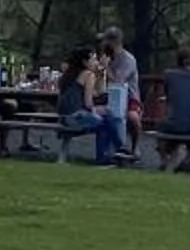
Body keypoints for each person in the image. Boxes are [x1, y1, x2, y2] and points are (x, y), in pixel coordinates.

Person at [57, 44, 113, 163]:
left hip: (62, 118)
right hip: (75, 118)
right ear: (84, 62)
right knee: (107, 122)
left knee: (102, 114)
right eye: (93, 59)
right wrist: (99, 111)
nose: (96, 62)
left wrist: (101, 74)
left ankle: (62, 157)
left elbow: (97, 93)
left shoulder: (69, 74)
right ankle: (103, 158)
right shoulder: (88, 75)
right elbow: (88, 104)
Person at [97, 29, 141, 164]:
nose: (103, 44)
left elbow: (118, 81)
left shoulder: (128, 59)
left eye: (106, 41)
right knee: (103, 115)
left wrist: (105, 68)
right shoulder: (107, 57)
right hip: (108, 96)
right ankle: (108, 153)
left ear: (114, 42)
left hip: (129, 97)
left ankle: (134, 148)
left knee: (132, 117)